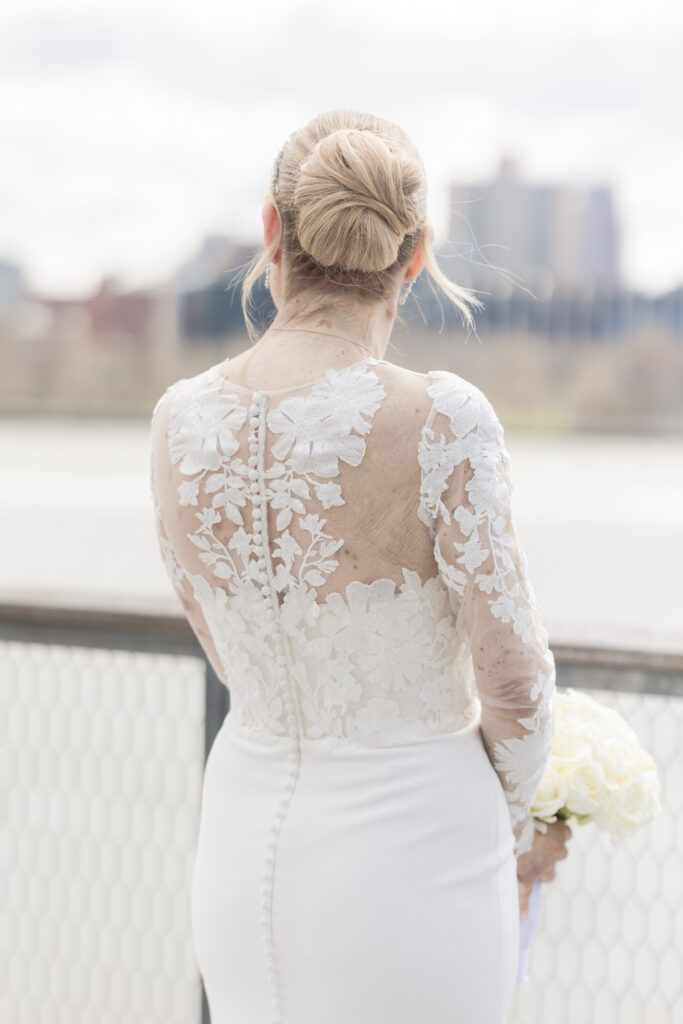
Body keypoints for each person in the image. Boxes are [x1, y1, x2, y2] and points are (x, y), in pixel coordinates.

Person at [149, 109, 570, 1024]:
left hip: (243, 841)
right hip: (417, 858)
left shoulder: (177, 421)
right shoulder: (442, 419)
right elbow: (515, 686)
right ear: (413, 258)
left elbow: (227, 651)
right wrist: (523, 822)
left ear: (271, 231)